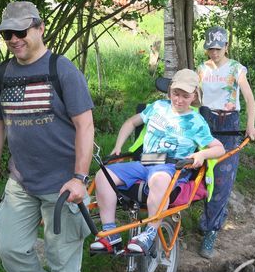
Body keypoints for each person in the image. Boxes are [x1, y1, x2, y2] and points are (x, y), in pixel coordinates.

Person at [0, 1, 95, 272]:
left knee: (63, 256)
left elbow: (84, 124)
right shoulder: (0, 74)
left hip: (63, 185)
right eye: (6, 34)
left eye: (20, 32)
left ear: (39, 28)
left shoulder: (62, 70)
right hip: (22, 181)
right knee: (8, 246)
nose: (13, 39)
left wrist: (79, 177)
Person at [90, 69, 225, 255]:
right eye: (175, 94)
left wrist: (201, 155)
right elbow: (131, 123)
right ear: (169, 91)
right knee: (103, 175)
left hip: (171, 166)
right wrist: (118, 146)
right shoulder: (157, 106)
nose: (178, 100)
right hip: (145, 162)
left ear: (194, 96)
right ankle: (110, 233)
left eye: (185, 96)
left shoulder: (196, 121)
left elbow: (219, 148)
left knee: (159, 180)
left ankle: (150, 233)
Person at [196, 25, 255, 258]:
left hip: (229, 124)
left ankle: (211, 230)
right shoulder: (202, 69)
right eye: (210, 48)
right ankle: (208, 218)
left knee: (222, 178)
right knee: (203, 174)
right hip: (206, 122)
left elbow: (249, 99)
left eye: (218, 48)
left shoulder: (236, 69)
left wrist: (250, 125)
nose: (214, 52)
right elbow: (197, 96)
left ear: (226, 47)